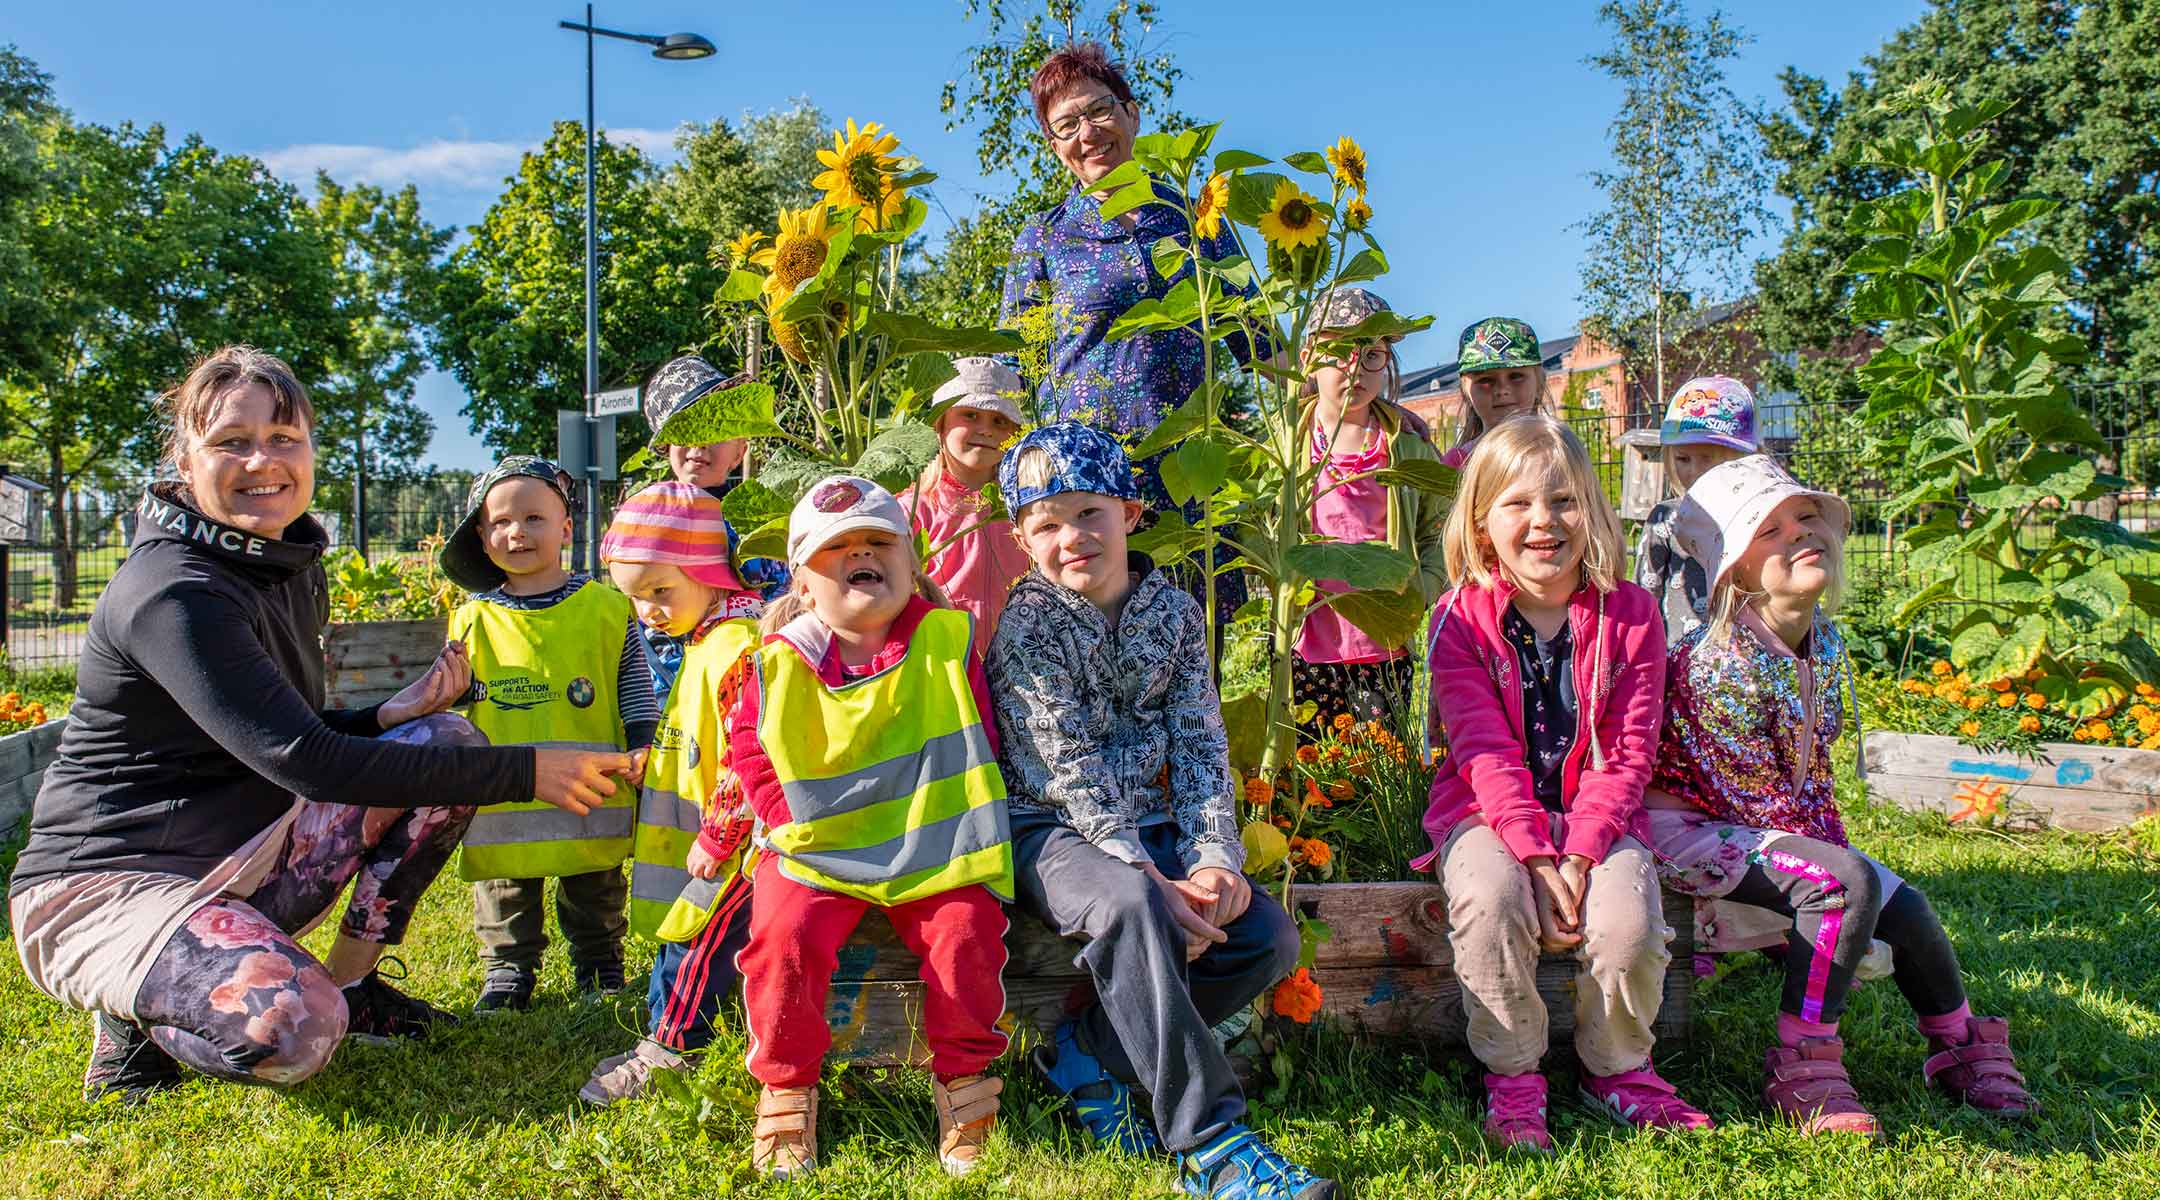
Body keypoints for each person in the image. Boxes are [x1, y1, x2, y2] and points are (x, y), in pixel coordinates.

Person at [8, 346, 638, 1101]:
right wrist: (529, 768)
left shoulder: (285, 562)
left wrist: (385, 715)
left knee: (444, 740)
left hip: (242, 850)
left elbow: (280, 727)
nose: (261, 461)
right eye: (231, 441)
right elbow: (307, 759)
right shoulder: (174, 590)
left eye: (284, 438)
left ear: (309, 451)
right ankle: (133, 1018)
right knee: (298, 1028)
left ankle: (353, 985)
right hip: (113, 887)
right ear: (184, 457)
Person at [986, 423, 1326, 1200]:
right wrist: (1146, 869)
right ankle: (1211, 1141)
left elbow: (1203, 743)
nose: (1071, 537)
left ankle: (1087, 1054)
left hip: (1155, 821)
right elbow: (1063, 768)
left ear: (1131, 513)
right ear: (1020, 538)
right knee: (1134, 904)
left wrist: (1213, 857)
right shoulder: (1028, 627)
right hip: (1051, 828)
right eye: (1046, 523)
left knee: (1265, 937)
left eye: (1088, 514)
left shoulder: (1171, 615)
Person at [1647, 454, 2035, 1135]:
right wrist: (1842, 888)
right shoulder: (1714, 661)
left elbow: (1811, 780)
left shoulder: (1822, 644)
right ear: (1734, 567)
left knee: (1904, 906)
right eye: (1770, 530)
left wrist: (1861, 891)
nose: (1800, 533)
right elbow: (1746, 797)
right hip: (1686, 831)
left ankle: (1959, 1042)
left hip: (1759, 827)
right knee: (1845, 883)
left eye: (1806, 517)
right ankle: (1803, 1061)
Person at [1412, 414, 1710, 1152]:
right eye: (1517, 504)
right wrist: (1536, 860)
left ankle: (1617, 1068)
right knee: (1489, 900)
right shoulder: (1458, 620)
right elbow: (1483, 752)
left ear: (1592, 511)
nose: (1543, 522)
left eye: (1564, 501)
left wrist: (1578, 855)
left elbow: (1630, 754)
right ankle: (1514, 1077)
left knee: (1629, 925)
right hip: (1487, 811)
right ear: (1482, 523)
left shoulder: (1634, 616)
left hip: (1598, 817)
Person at [729, 477, 1013, 1178]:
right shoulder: (777, 661)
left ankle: (964, 1084)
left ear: (911, 560)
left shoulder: (948, 642)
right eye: (838, 549)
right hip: (819, 852)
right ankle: (788, 1084)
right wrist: (786, 818)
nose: (862, 554)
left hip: (936, 848)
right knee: (783, 942)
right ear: (800, 576)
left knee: (964, 935)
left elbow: (985, 733)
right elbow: (749, 749)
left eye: (879, 542)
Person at [999, 40, 1260, 623]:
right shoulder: (1044, 239)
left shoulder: (1198, 220)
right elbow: (1010, 368)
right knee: (1090, 649)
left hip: (1192, 474)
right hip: (1086, 489)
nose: (1087, 133)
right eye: (1067, 123)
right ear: (1053, 145)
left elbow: (1258, 340)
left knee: (1194, 646)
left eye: (1099, 111)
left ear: (1132, 113)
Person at [437, 457, 660, 1012]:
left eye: (534, 518)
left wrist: (642, 740)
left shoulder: (610, 610)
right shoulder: (470, 620)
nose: (518, 532)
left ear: (565, 528)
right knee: (506, 887)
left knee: (595, 881)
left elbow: (631, 684)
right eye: (500, 522)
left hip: (593, 787)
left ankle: (599, 962)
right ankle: (509, 969)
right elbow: (453, 699)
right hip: (503, 797)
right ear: (482, 538)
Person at [581, 482, 765, 1105]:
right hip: (711, 837)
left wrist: (720, 835)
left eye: (661, 591)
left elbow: (749, 753)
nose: (648, 611)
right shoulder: (705, 638)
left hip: (732, 845)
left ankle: (668, 1051)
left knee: (697, 943)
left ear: (708, 570)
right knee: (684, 941)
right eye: (636, 597)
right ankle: (668, 1034)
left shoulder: (737, 644)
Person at [1293, 288, 1448, 728]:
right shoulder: (1287, 445)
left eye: (1371, 355)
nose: (1354, 368)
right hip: (1307, 639)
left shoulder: (1408, 449)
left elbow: (1438, 528)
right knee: (1310, 776)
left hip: (1382, 639)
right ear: (1308, 359)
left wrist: (1423, 588)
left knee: (1381, 772)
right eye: (1338, 352)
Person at [638, 353, 790, 706]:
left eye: (716, 431)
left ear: (740, 451)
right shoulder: (651, 518)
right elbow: (645, 608)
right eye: (685, 431)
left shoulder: (757, 515)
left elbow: (781, 594)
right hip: (676, 682)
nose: (700, 445)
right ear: (666, 447)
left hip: (758, 676)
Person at [899, 356, 1032, 642]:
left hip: (1017, 659)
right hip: (941, 656)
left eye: (999, 421)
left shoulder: (1023, 506)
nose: (986, 429)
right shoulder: (913, 508)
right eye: (970, 415)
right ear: (941, 423)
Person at [1633, 375, 1762, 640]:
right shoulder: (1665, 519)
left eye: (1708, 459)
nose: (1693, 471)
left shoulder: (1762, 519)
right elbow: (1642, 600)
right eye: (1683, 458)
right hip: (1678, 669)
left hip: (1749, 666)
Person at [1442, 316, 1550, 468]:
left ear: (1539, 383)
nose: (1502, 390)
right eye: (1486, 380)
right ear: (1465, 390)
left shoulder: (1559, 452)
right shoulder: (1457, 464)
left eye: (1516, 376)